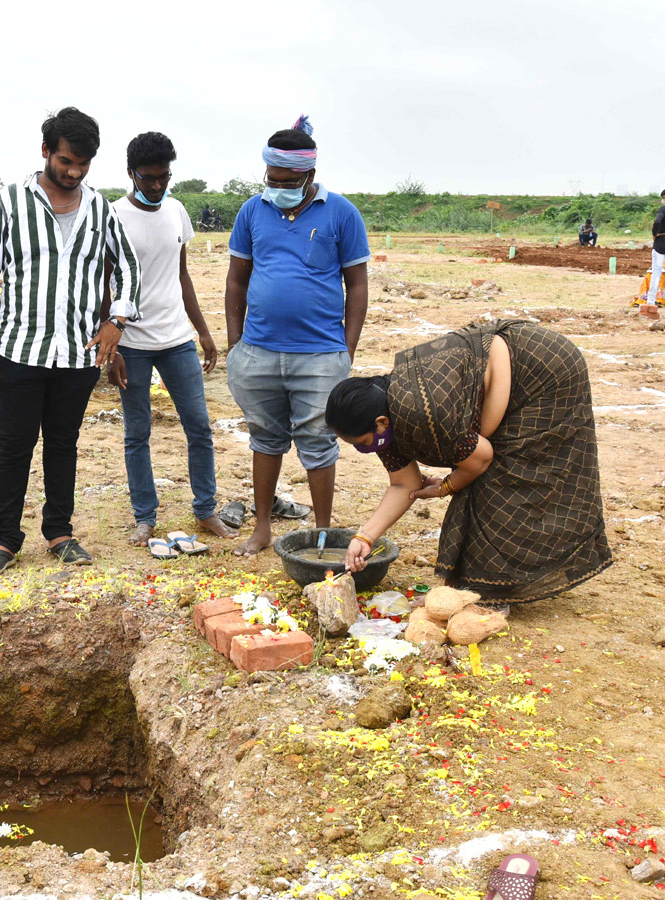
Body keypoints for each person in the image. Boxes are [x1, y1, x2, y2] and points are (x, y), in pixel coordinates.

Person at [326, 319, 612, 603]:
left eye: (362, 443)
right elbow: (405, 484)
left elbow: (481, 458)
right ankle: (477, 583)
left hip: (542, 367)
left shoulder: (425, 415)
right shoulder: (384, 418)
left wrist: (445, 487)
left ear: (380, 422)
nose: (366, 450)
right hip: (503, 370)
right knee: (476, 467)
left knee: (503, 475)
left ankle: (493, 590)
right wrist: (363, 538)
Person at [0, 107, 140, 576]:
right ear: (46, 151)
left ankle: (60, 532)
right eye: (66, 161)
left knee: (64, 443)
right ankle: (4, 540)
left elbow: (127, 268)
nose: (74, 171)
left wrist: (116, 322)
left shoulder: (99, 208)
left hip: (79, 354)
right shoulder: (10, 202)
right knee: (15, 445)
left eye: (84, 164)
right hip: (22, 348)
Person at [224, 114, 370, 557]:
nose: (277, 186)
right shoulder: (252, 210)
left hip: (320, 356)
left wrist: (345, 350)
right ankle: (263, 527)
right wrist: (235, 345)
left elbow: (357, 284)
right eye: (271, 178)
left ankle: (321, 533)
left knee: (319, 443)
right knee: (264, 439)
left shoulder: (341, 213)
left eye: (287, 179)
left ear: (310, 175)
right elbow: (236, 280)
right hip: (258, 353)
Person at [105, 132, 234, 549]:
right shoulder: (112, 217)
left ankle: (206, 509)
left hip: (177, 340)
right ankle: (145, 518)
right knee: (136, 432)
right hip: (132, 345)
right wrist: (112, 345)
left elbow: (182, 276)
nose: (158, 186)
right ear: (131, 174)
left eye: (165, 177)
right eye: (149, 178)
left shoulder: (177, 211)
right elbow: (101, 285)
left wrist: (203, 332)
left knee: (199, 427)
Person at [645, 190, 665, 320]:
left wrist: (654, 233)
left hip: (661, 242)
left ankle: (651, 302)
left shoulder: (663, 209)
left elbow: (657, 222)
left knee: (656, 272)